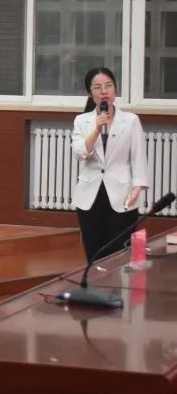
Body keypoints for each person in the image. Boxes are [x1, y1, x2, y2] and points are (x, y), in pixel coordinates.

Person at [72, 67, 149, 261]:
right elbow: (80, 153)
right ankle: (95, 281)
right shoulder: (82, 121)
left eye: (108, 86)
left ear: (115, 89)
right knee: (94, 253)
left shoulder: (130, 121)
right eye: (97, 87)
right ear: (90, 93)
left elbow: (139, 157)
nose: (104, 91)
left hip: (122, 195)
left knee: (118, 254)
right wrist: (97, 129)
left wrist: (138, 187)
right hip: (90, 196)